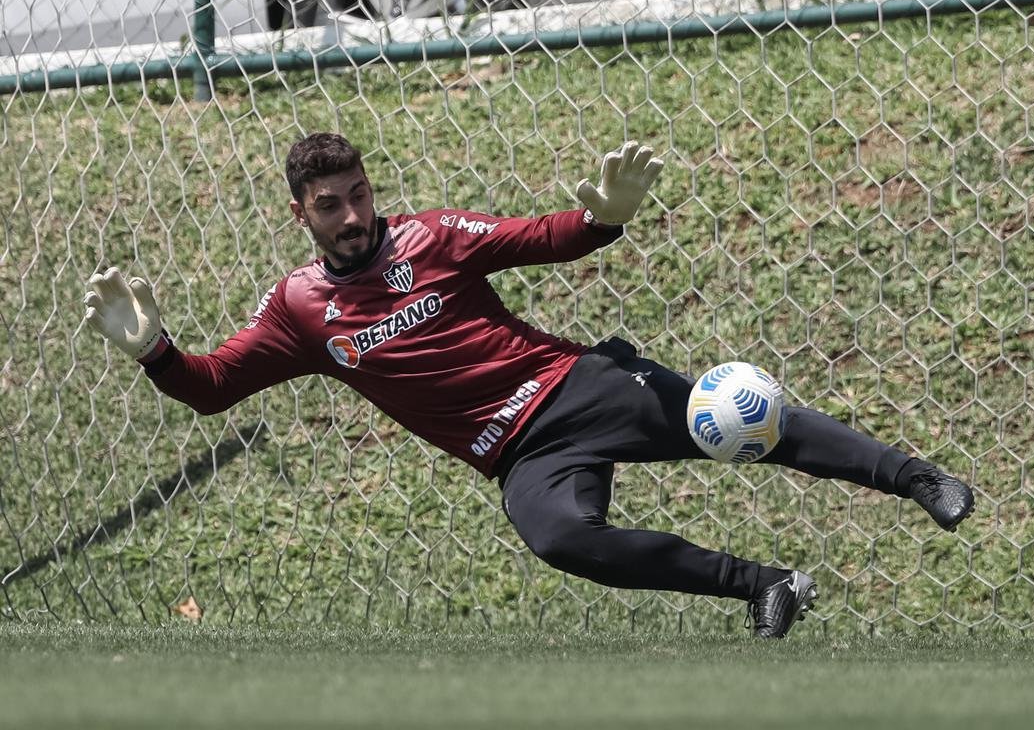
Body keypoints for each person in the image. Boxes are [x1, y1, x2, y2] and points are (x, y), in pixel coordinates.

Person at [83, 133, 974, 638]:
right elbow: (208, 389)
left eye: (358, 193)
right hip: (517, 454)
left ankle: (918, 479)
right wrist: (156, 349)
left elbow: (544, 236)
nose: (354, 215)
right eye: (331, 205)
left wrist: (601, 217)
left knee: (737, 418)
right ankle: (763, 585)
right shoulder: (301, 309)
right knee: (559, 539)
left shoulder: (431, 237)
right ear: (300, 214)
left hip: (575, 385)